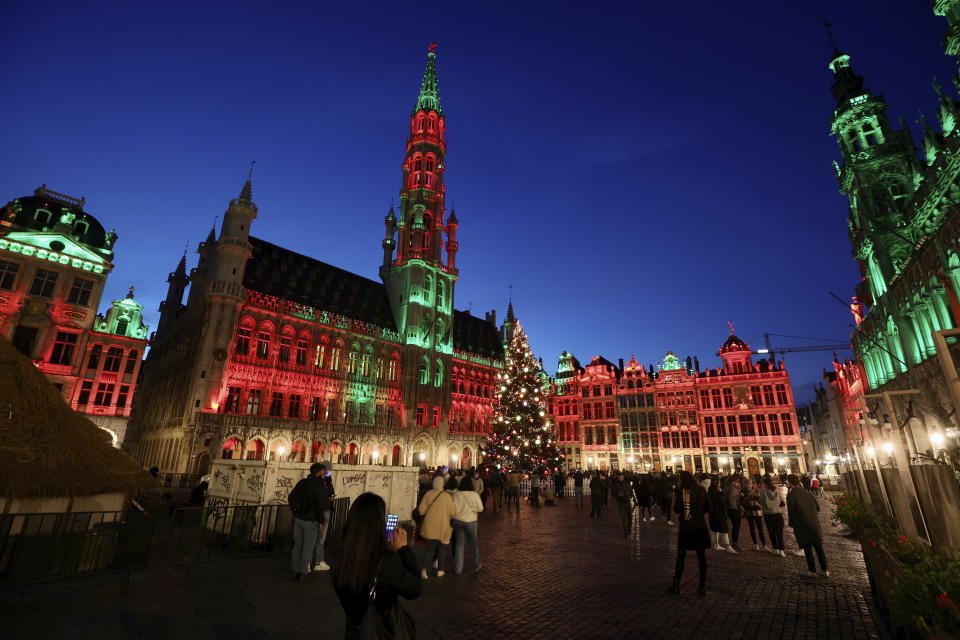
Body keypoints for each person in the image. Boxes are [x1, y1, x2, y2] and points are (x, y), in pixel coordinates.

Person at [329, 492, 421, 639]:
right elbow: (414, 588)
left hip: (355, 629)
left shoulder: (339, 554)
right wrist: (404, 549)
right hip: (379, 631)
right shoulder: (384, 561)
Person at [667, 471, 710, 596]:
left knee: (681, 557)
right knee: (701, 557)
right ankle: (702, 587)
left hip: (686, 528)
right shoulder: (702, 490)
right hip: (700, 528)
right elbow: (709, 507)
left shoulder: (681, 491)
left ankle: (676, 585)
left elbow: (676, 509)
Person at [289, 462, 332, 581]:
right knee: (308, 547)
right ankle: (303, 571)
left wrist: (295, 511)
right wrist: (321, 522)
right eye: (322, 472)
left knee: (298, 545)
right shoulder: (319, 486)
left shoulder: (303, 482)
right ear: (318, 472)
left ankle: (296, 569)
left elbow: (291, 497)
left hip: (299, 518)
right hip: (311, 520)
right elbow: (320, 506)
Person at [787, 474, 829, 577]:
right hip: (814, 524)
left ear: (790, 483)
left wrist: (791, 523)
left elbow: (791, 513)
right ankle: (825, 570)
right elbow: (818, 508)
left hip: (802, 525)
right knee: (819, 548)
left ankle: (812, 570)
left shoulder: (791, 495)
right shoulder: (808, 492)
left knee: (807, 549)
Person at [417, 475, 456, 578]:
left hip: (430, 527)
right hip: (443, 527)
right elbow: (452, 513)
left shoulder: (428, 494)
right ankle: (440, 570)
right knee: (441, 549)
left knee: (429, 550)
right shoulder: (447, 497)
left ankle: (425, 570)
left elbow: (421, 511)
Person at [452, 476, 484, 574]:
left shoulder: (456, 494)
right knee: (473, 544)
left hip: (458, 520)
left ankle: (458, 568)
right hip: (471, 521)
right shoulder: (474, 495)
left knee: (459, 545)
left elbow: (452, 509)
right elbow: (480, 508)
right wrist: (472, 510)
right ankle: (476, 563)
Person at [312, 465, 336, 572]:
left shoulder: (310, 482)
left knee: (310, 538)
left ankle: (306, 563)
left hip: (313, 512)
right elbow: (329, 496)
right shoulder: (325, 483)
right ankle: (318, 561)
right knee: (320, 538)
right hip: (323, 511)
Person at [706, 476, 735, 553]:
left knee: (715, 528)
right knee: (723, 528)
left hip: (713, 512)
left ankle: (716, 544)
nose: (719, 483)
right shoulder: (716, 491)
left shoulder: (710, 490)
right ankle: (727, 545)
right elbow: (720, 501)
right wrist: (721, 493)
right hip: (718, 512)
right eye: (718, 481)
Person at [740, 479, 770, 552]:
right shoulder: (742, 492)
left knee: (760, 528)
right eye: (747, 484)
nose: (749, 485)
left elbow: (759, 500)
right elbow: (741, 501)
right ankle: (755, 544)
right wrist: (748, 498)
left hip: (757, 511)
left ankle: (764, 544)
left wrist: (758, 499)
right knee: (752, 528)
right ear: (745, 485)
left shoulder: (756, 491)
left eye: (749, 484)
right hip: (749, 512)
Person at [761, 475, 786, 557]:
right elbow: (782, 501)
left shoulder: (763, 493)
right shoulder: (777, 491)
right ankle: (782, 550)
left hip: (768, 515)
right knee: (779, 533)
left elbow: (761, 502)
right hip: (778, 514)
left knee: (771, 532)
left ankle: (776, 549)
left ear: (765, 484)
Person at [722, 476, 743, 548]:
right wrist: (736, 507)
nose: (738, 483)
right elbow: (732, 499)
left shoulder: (726, 487)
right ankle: (735, 542)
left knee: (735, 526)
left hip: (728, 509)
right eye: (737, 481)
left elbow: (725, 499)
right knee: (736, 526)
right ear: (734, 481)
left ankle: (734, 542)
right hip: (733, 508)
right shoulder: (733, 488)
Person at [612, 471, 634, 537]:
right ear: (618, 477)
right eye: (620, 476)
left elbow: (631, 491)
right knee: (623, 518)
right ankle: (625, 533)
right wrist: (617, 495)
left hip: (627, 502)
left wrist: (630, 496)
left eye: (622, 476)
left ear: (623, 477)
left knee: (630, 517)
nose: (621, 477)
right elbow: (614, 493)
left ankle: (629, 530)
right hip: (621, 503)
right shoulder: (616, 484)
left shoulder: (626, 483)